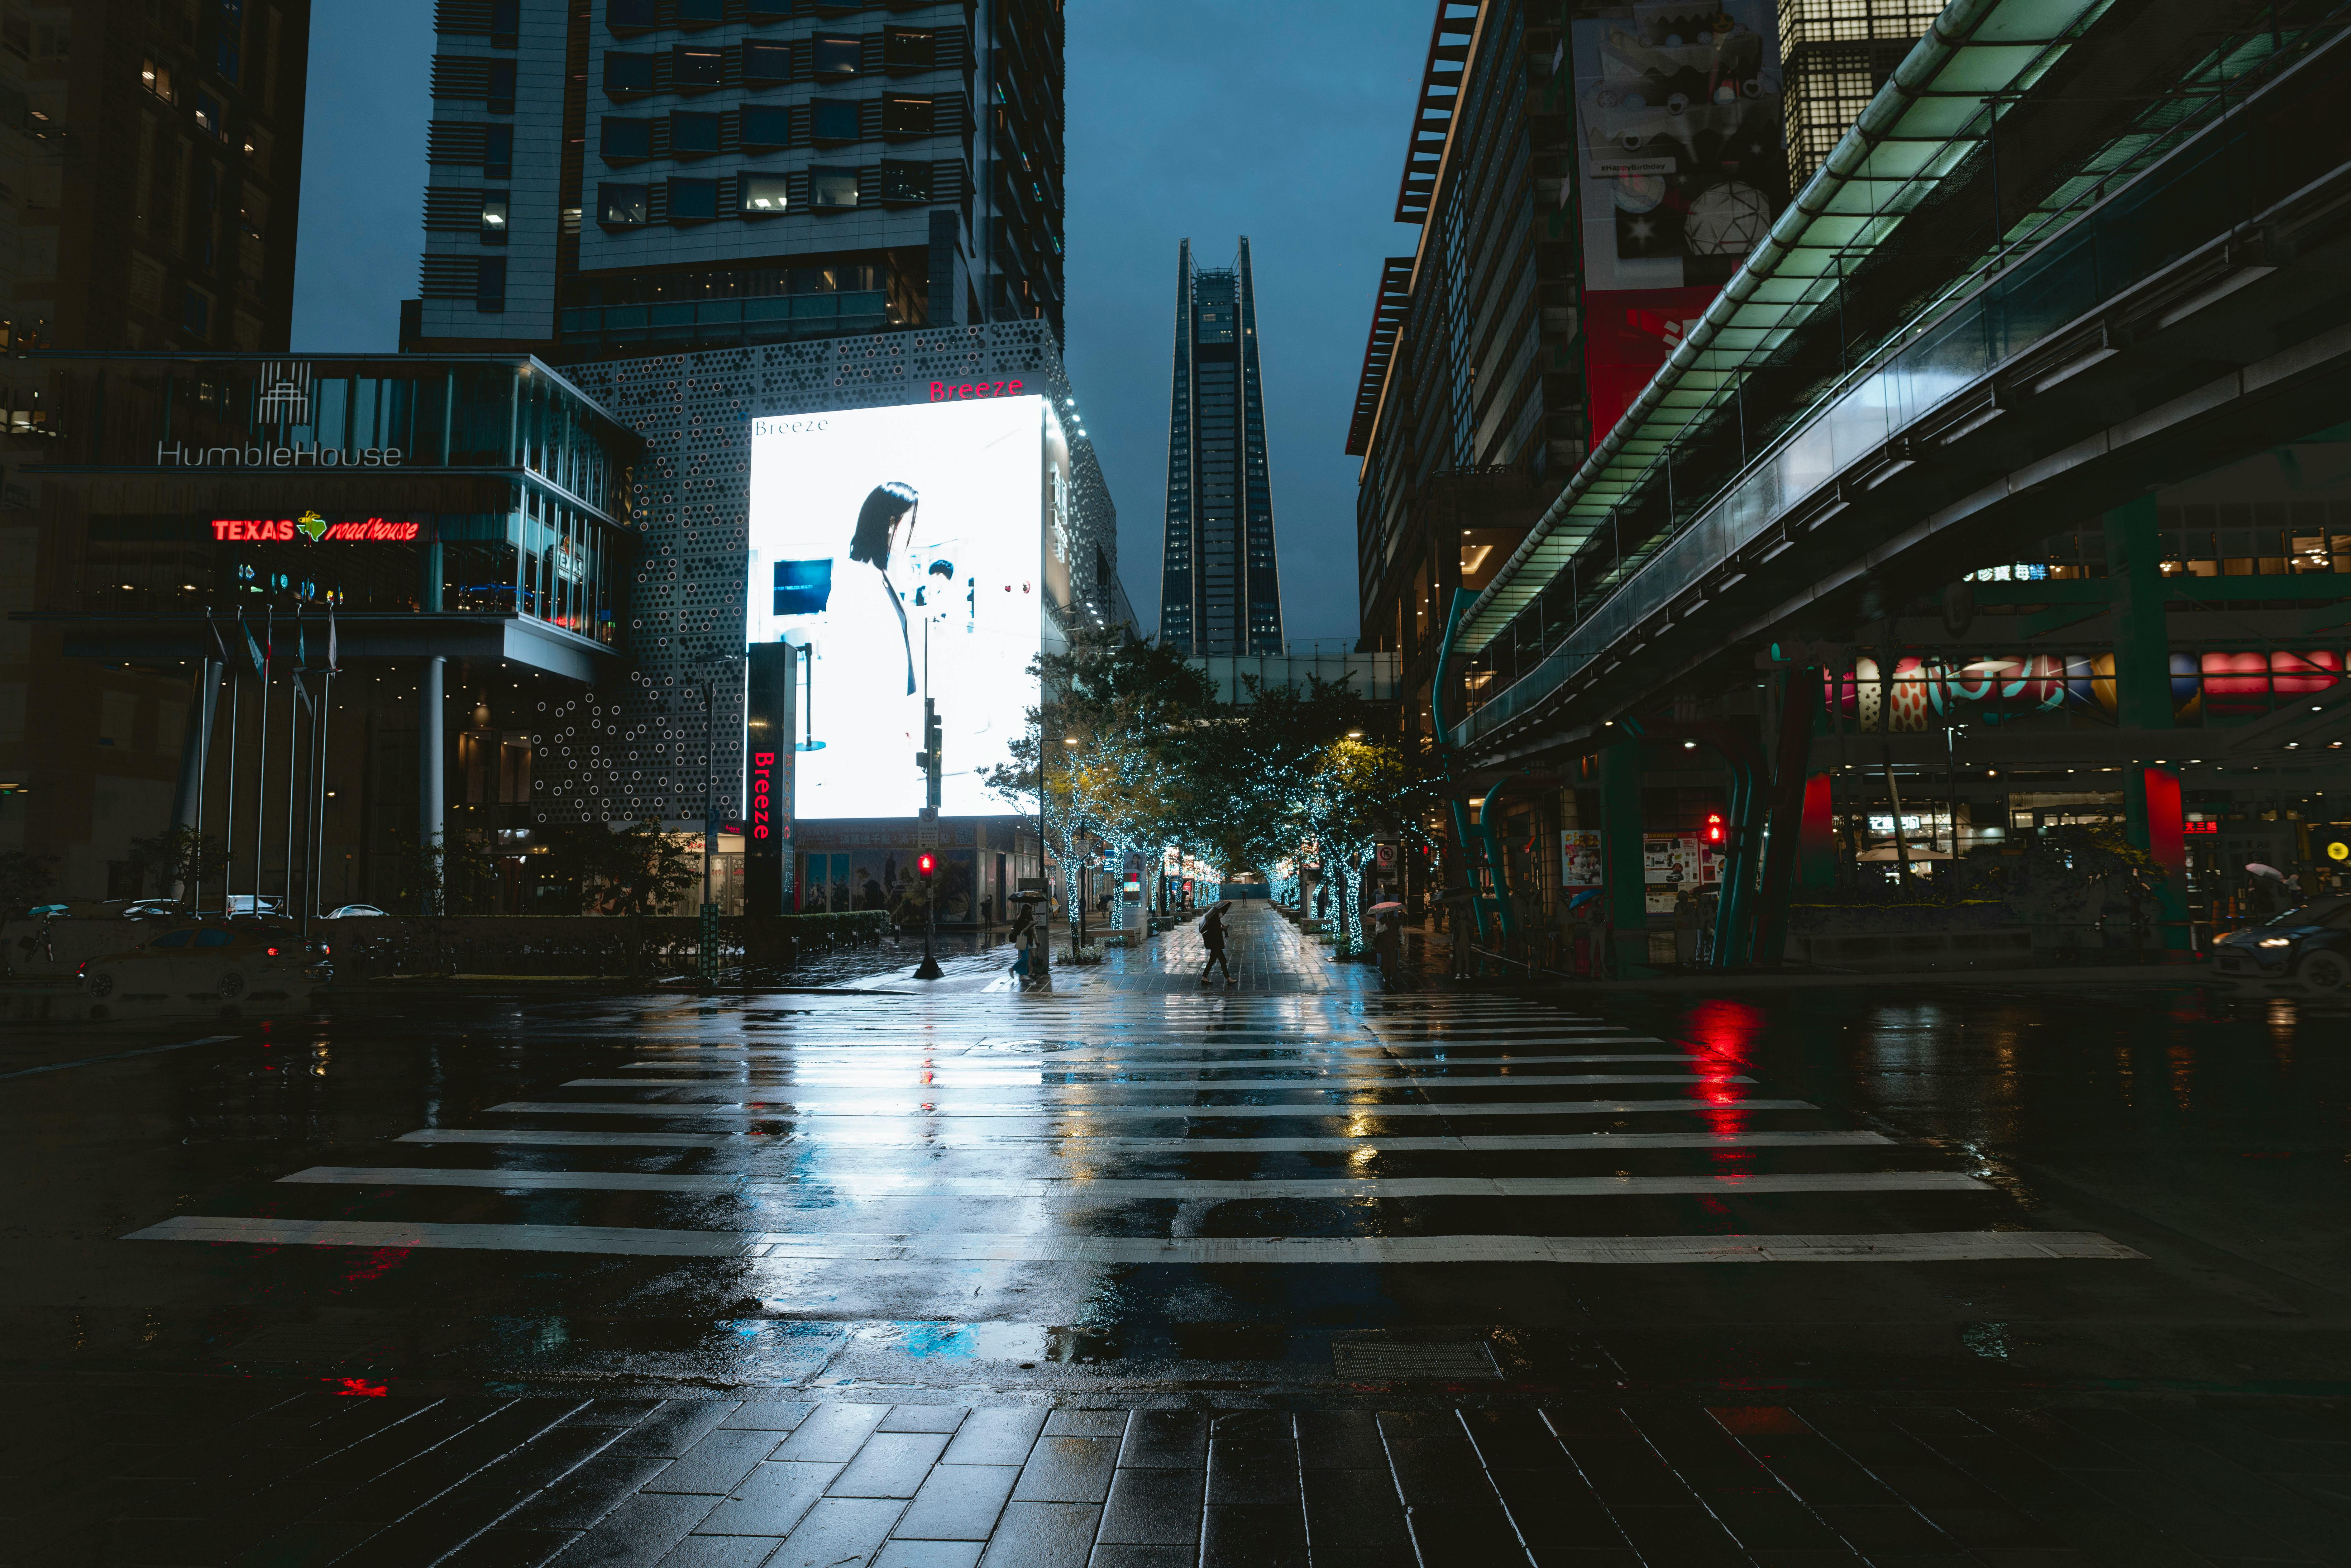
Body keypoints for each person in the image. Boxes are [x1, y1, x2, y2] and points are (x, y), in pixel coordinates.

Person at [1199, 900, 1234, 985]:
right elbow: (1214, 931)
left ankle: (1204, 978)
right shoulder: (1213, 921)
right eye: (1220, 912)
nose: (1221, 914)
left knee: (1213, 961)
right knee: (1223, 961)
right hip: (1216, 944)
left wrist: (1223, 927)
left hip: (1216, 944)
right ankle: (1229, 979)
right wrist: (1223, 929)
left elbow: (1217, 930)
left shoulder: (1217, 920)